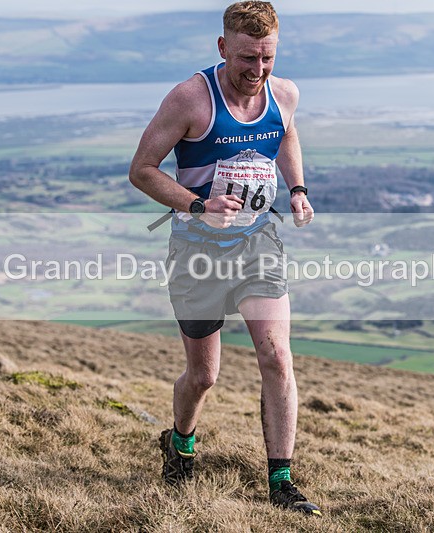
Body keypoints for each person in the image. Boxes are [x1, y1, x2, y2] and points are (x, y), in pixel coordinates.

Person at [129, 1, 319, 516]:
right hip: (197, 252)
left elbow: (287, 132)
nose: (257, 72)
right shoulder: (190, 99)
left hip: (258, 243)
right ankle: (180, 441)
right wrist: (198, 205)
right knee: (204, 375)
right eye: (246, 60)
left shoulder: (284, 93)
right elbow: (142, 169)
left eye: (267, 59)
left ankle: (281, 482)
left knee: (277, 357)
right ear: (222, 48)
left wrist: (298, 189)